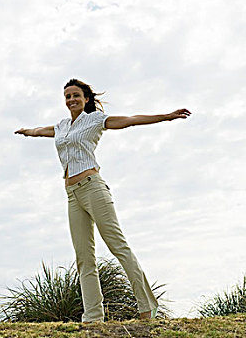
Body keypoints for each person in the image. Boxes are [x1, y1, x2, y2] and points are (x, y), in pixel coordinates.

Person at [14, 78, 191, 323]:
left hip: (93, 188)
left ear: (86, 99)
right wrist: (27, 131)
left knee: (118, 247)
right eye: (67, 96)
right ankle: (93, 317)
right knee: (84, 258)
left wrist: (166, 117)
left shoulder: (94, 120)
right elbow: (41, 131)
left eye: (76, 95)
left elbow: (129, 120)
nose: (71, 100)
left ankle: (147, 307)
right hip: (72, 195)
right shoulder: (62, 125)